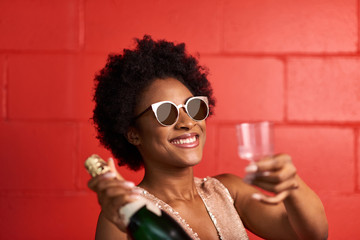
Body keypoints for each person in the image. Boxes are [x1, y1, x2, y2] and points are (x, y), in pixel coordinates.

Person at [88, 35, 328, 240]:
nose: (187, 123)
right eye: (165, 112)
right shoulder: (123, 216)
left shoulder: (228, 192)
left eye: (193, 108)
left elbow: (311, 234)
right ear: (133, 133)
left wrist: (293, 185)